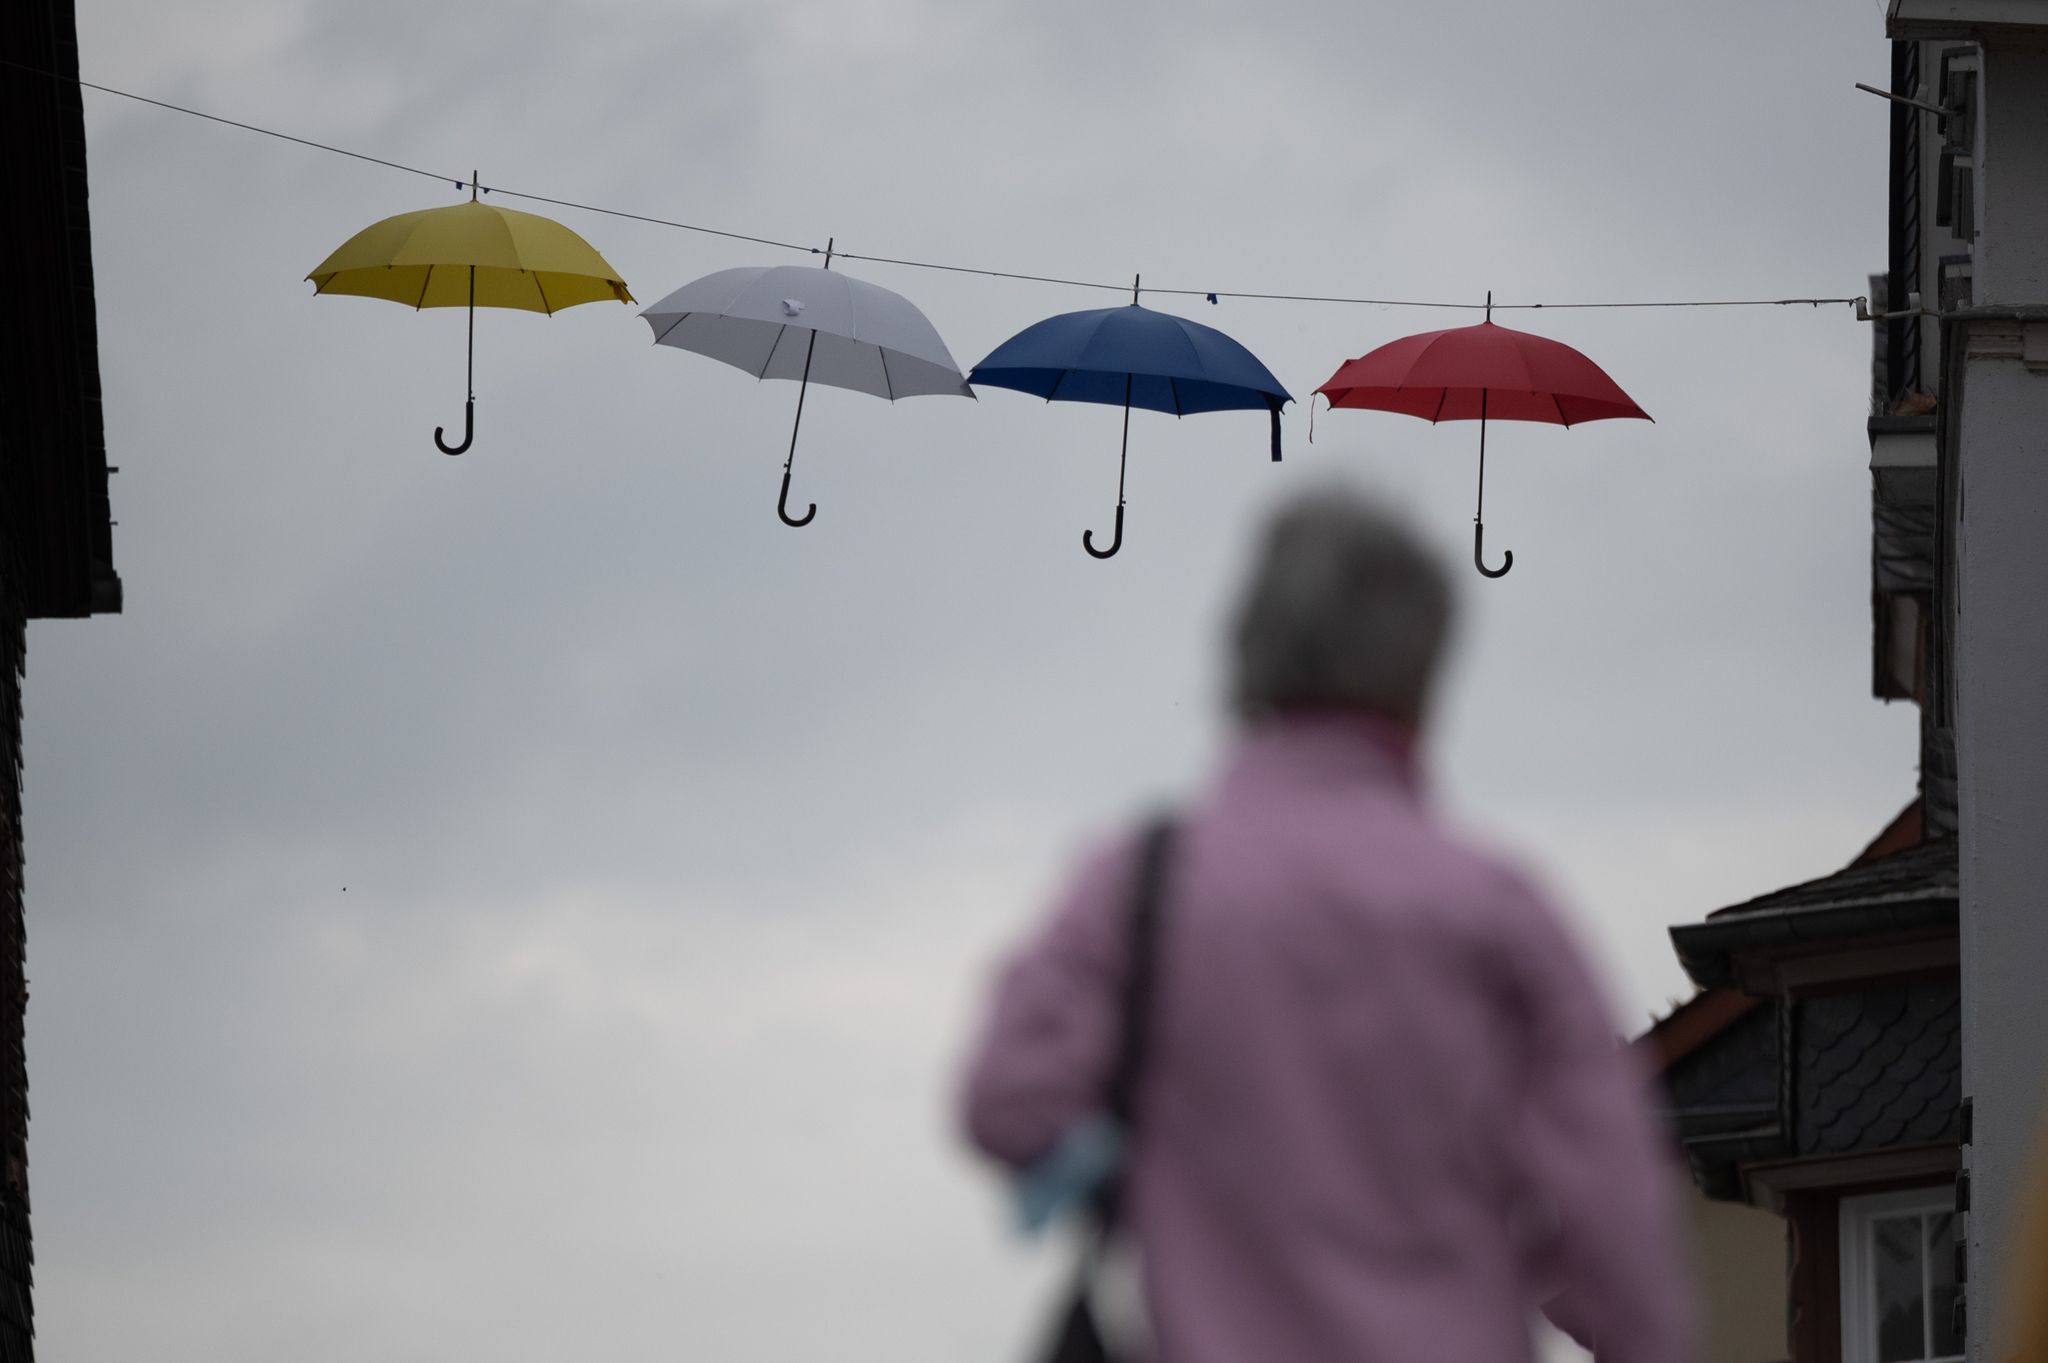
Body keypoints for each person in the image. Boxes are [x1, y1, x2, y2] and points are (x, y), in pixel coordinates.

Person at [957, 486, 1692, 1363]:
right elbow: (1613, 1211)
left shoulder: (1137, 886)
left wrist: (1149, 1157)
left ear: (1244, 654)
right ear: (1424, 671)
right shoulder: (1499, 910)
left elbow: (1005, 1104)